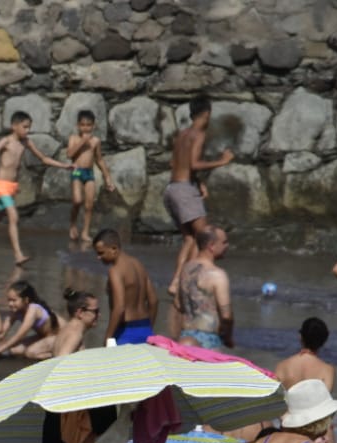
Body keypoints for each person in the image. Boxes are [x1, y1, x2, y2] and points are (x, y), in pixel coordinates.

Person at [0, 111, 73, 264]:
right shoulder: (6, 142)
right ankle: (18, 255)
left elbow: (43, 158)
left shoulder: (26, 142)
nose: (28, 130)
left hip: (11, 188)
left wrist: (64, 165)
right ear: (14, 126)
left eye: (29, 127)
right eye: (25, 127)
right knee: (13, 216)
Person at [165, 97, 235, 296]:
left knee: (189, 239)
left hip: (172, 189)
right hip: (185, 191)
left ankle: (176, 283)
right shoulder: (199, 134)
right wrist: (222, 161)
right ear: (206, 114)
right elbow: (194, 164)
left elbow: (176, 164)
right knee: (203, 238)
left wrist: (198, 183)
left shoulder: (181, 135)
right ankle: (188, 283)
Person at [93, 229, 160, 345]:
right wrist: (149, 329)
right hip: (145, 327)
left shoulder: (115, 271)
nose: (98, 257)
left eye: (101, 253)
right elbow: (154, 300)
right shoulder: (138, 264)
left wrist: (108, 338)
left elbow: (119, 307)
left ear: (114, 249)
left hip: (126, 331)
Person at [176, 224, 234, 351]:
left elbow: (179, 304)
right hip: (208, 339)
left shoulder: (185, 269)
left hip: (185, 334)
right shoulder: (218, 275)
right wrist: (228, 337)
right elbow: (226, 316)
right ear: (212, 246)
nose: (227, 246)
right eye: (224, 242)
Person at [65, 109, 116, 244]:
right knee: (77, 200)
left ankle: (85, 232)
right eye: (83, 125)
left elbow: (99, 160)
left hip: (89, 173)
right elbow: (69, 155)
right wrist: (82, 142)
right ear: (78, 125)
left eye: (88, 125)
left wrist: (107, 178)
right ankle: (73, 224)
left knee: (89, 205)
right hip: (77, 171)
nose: (86, 128)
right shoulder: (74, 138)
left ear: (93, 126)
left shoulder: (96, 141)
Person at [0, 281, 59, 359]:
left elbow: (19, 335)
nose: (10, 304)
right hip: (42, 336)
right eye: (9, 300)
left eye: (14, 300)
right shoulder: (15, 310)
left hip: (59, 336)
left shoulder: (33, 309)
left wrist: (0, 350)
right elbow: (1, 333)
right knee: (14, 350)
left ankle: (57, 354)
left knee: (30, 353)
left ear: (26, 300)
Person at [277, 319, 335, 392]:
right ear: (324, 340)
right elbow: (326, 400)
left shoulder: (282, 367)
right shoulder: (327, 371)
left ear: (301, 337)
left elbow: (276, 397)